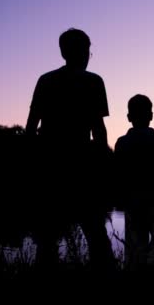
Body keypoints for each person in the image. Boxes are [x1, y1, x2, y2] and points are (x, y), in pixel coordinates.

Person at [26, 28, 114, 273]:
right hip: (81, 163)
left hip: (50, 162)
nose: (87, 55)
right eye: (86, 50)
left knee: (48, 234)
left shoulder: (46, 80)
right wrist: (103, 163)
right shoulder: (94, 82)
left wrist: (30, 160)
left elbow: (31, 126)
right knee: (94, 229)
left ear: (63, 52)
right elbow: (99, 129)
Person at [115, 94, 154, 273]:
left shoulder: (122, 143)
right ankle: (153, 270)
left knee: (135, 244)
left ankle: (137, 271)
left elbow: (118, 174)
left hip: (132, 201)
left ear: (129, 117)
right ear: (151, 116)